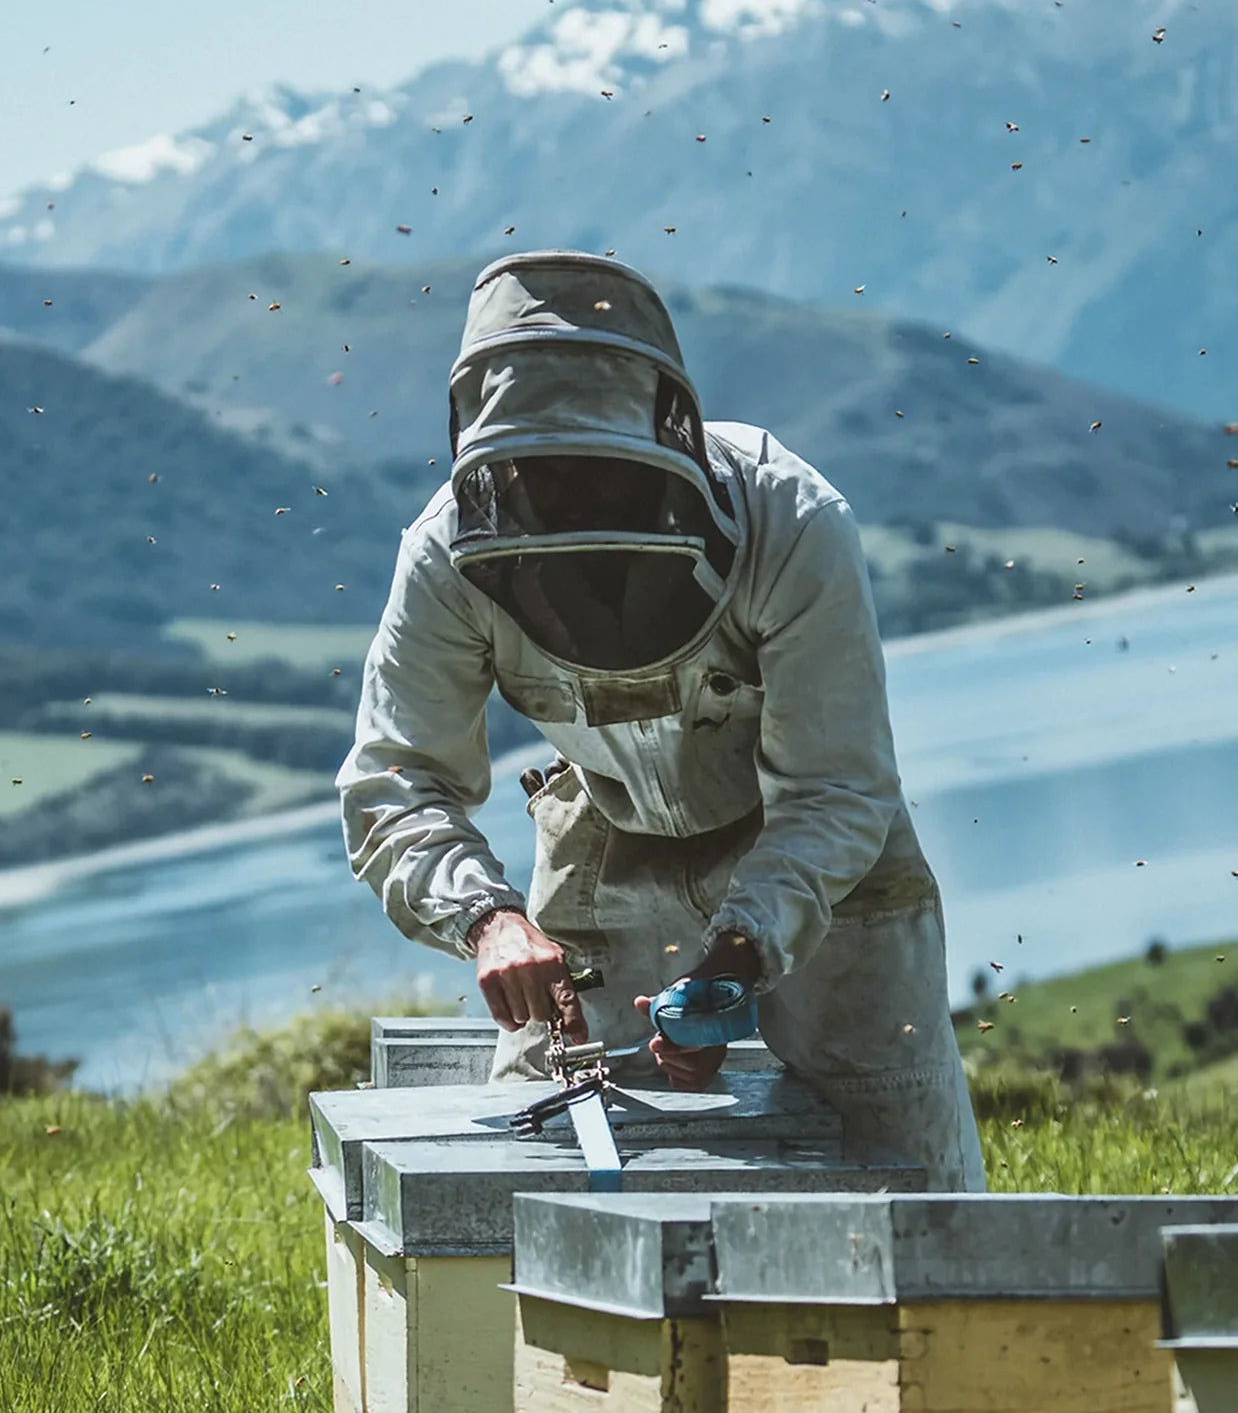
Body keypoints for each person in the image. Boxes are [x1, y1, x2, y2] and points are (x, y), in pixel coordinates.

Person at [335, 249, 985, 1191]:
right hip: (602, 835)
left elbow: (836, 788)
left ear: (666, 440)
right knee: (544, 1154)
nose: (576, 508)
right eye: (546, 486)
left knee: (903, 1177)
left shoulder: (791, 520)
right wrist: (489, 918)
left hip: (813, 842)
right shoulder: (444, 558)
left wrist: (734, 961)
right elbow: (396, 779)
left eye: (600, 481)